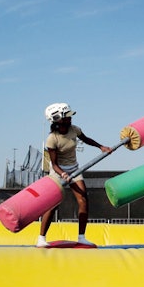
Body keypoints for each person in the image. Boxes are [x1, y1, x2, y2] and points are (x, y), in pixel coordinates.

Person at [37, 103, 112, 247]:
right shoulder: (52, 139)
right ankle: (41, 238)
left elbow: (86, 139)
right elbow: (54, 165)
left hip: (74, 170)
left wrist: (101, 147)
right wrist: (63, 174)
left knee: (83, 199)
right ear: (58, 119)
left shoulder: (74, 129)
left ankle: (82, 237)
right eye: (67, 116)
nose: (70, 119)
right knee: (52, 204)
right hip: (58, 172)